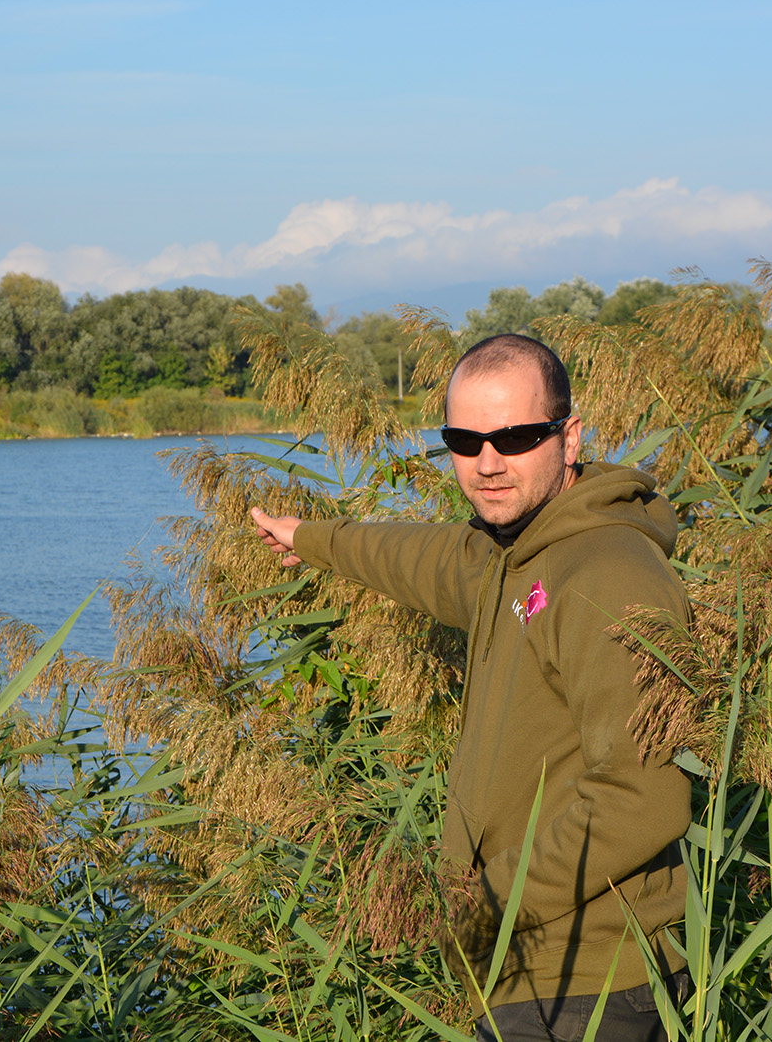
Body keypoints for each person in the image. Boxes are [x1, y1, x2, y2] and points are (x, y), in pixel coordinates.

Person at [251, 333, 691, 1042]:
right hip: (519, 971)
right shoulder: (507, 556)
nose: (487, 463)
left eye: (515, 438)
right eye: (464, 440)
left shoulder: (606, 573)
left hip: (590, 982)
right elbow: (417, 557)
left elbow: (643, 797)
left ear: (570, 436)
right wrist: (311, 538)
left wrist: (490, 901)